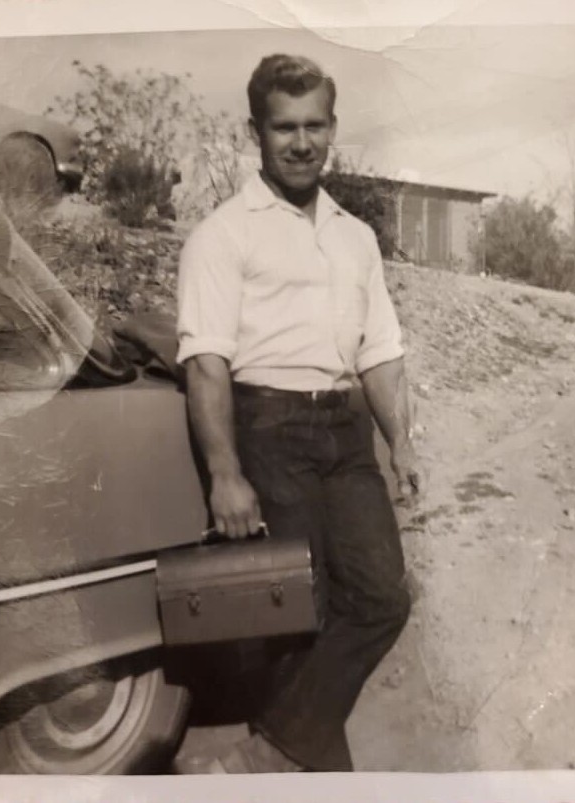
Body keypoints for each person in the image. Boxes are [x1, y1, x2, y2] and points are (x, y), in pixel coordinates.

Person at [175, 53, 421, 773]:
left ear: (332, 126)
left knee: (380, 596)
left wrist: (401, 440)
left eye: (314, 124)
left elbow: (379, 350)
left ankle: (267, 754)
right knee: (297, 616)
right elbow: (206, 363)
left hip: (347, 433)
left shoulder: (354, 236)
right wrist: (224, 472)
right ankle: (315, 774)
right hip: (269, 429)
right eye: (284, 127)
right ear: (255, 130)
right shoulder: (222, 235)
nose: (302, 141)